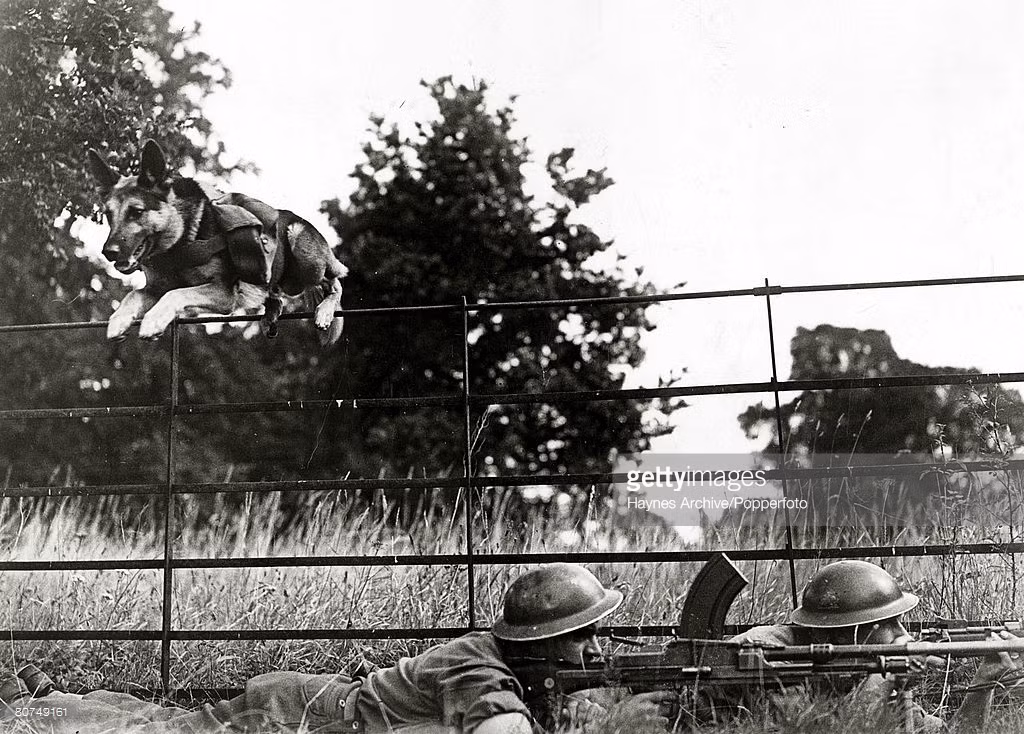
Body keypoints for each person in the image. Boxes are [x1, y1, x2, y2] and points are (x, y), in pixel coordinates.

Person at [0, 563, 672, 733]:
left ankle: (41, 697)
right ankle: (25, 713)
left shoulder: (496, 660)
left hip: (308, 705)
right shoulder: (481, 670)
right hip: (290, 718)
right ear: (539, 644)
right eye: (582, 636)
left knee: (165, 720)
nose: (596, 649)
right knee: (158, 733)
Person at [731, 560, 1024, 733]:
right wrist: (887, 676)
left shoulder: (862, 671)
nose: (902, 634)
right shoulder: (768, 654)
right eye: (890, 624)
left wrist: (984, 682)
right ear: (847, 634)